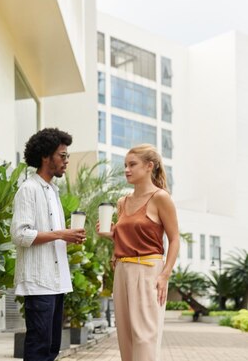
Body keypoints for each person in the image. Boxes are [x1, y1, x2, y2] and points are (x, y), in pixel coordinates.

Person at [96, 144, 179, 361]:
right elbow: (130, 236)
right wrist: (112, 234)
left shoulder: (160, 198)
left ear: (149, 166)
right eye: (125, 165)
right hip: (122, 269)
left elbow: (174, 239)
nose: (126, 169)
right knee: (125, 336)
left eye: (132, 164)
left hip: (148, 270)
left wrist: (165, 274)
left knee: (145, 337)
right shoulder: (123, 202)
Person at [10, 128, 86, 361]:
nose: (66, 161)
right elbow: (20, 235)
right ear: (45, 157)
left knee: (52, 347)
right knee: (39, 346)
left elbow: (51, 235)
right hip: (38, 282)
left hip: (56, 281)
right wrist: (61, 234)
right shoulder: (28, 189)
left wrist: (67, 237)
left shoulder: (53, 191)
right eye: (62, 155)